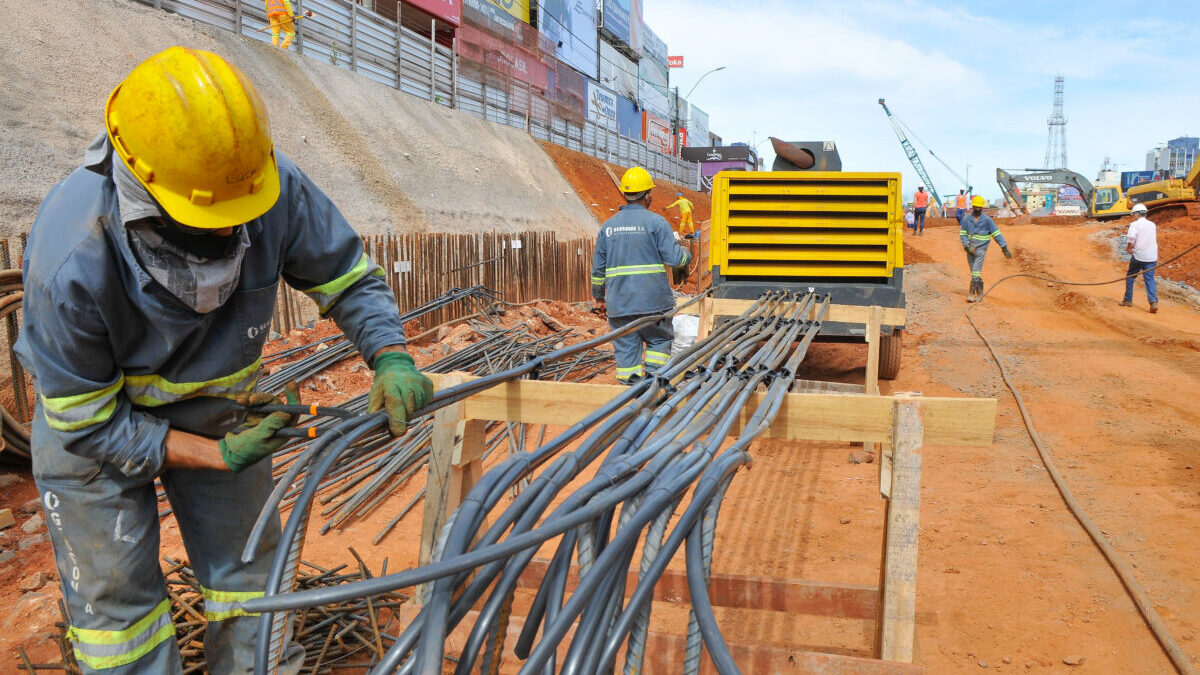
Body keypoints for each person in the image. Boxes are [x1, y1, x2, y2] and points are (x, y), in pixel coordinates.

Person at [15, 47, 434, 674]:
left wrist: (391, 356)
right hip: (96, 434)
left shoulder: (266, 186)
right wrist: (218, 457)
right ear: (141, 190)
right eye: (200, 226)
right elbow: (89, 422)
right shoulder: (72, 255)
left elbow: (347, 278)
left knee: (250, 584)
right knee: (117, 615)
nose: (220, 237)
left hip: (217, 413)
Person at [591, 167, 692, 384]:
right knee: (658, 346)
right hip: (654, 307)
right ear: (648, 195)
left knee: (627, 362)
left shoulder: (608, 228)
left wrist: (599, 299)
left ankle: (630, 401)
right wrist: (687, 254)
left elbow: (598, 271)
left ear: (624, 195)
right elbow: (675, 259)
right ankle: (656, 391)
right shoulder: (657, 223)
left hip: (620, 308)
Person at [959, 195, 1012, 302]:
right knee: (974, 272)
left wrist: (1004, 247)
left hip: (981, 249)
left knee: (975, 272)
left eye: (980, 207)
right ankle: (980, 293)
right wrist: (966, 246)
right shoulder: (966, 219)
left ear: (982, 208)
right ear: (973, 207)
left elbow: (996, 233)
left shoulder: (987, 220)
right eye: (976, 207)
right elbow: (963, 234)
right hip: (970, 249)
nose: (978, 209)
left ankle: (971, 294)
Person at [1120, 203, 1158, 313]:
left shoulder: (1135, 225)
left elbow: (1131, 238)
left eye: (1133, 215)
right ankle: (1153, 302)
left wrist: (1128, 248)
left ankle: (1127, 300)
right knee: (1149, 279)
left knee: (1130, 276)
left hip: (1139, 256)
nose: (1133, 217)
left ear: (1137, 214)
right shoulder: (1152, 224)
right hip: (1152, 256)